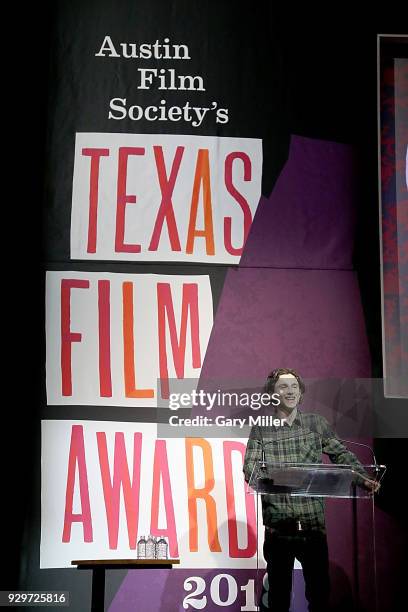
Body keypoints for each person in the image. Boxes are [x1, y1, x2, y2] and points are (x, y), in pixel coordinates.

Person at [243, 368, 379, 612]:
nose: (290, 391)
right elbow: (250, 471)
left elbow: (341, 454)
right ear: (272, 394)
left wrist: (363, 479)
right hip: (279, 531)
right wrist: (285, 478)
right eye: (283, 386)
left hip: (313, 527)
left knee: (319, 596)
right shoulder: (261, 429)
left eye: (294, 386)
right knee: (278, 600)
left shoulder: (316, 423)